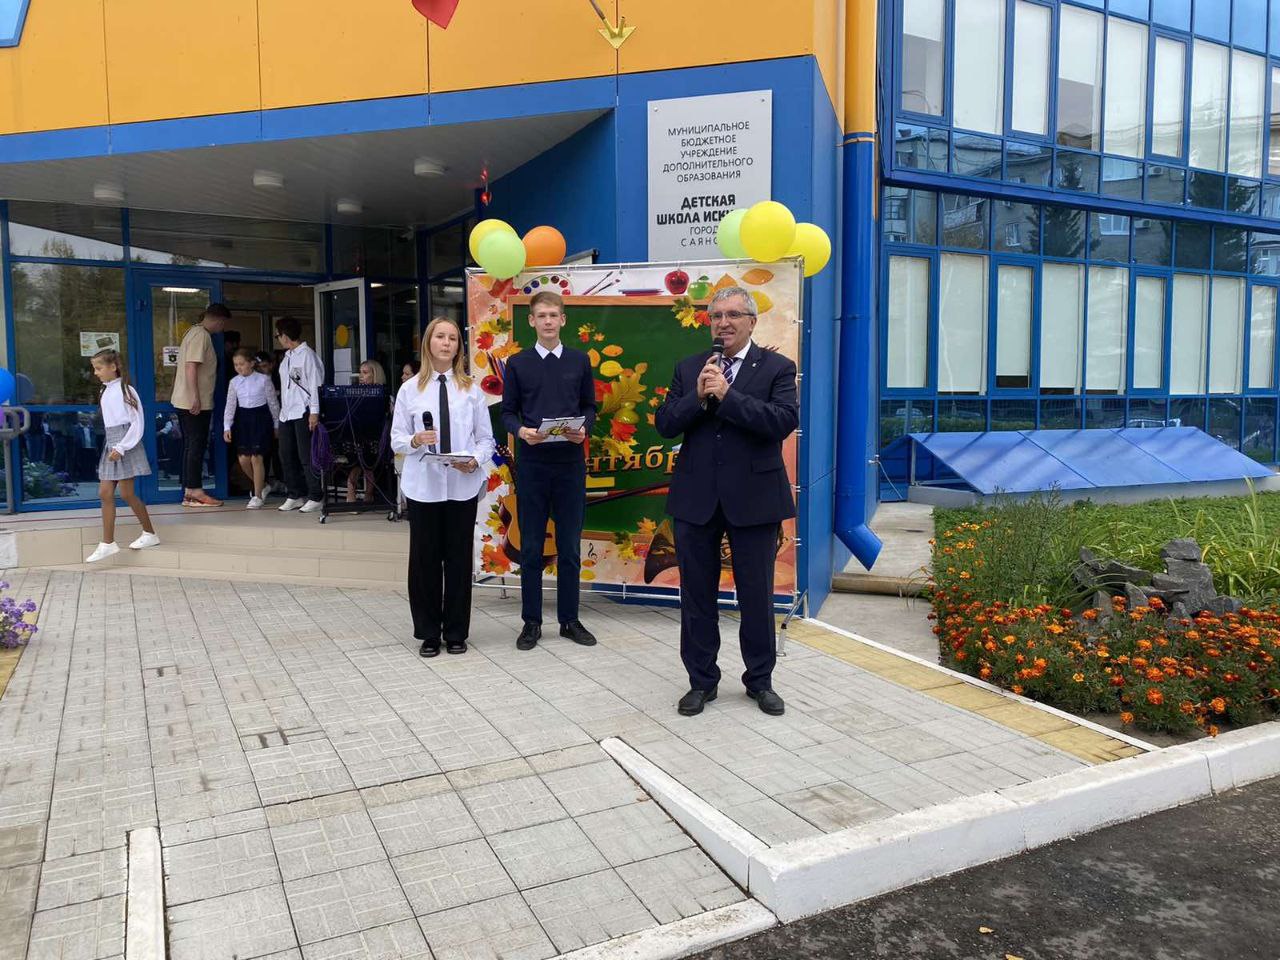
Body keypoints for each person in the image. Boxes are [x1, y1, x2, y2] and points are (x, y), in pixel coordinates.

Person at [655, 286, 799, 717]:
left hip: (755, 499)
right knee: (696, 597)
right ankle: (702, 682)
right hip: (696, 499)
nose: (723, 323)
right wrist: (698, 396)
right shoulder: (690, 368)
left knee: (756, 596)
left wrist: (728, 396)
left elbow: (781, 422)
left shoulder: (777, 367)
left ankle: (760, 681)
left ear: (752, 321)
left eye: (733, 315)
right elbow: (665, 424)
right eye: (716, 315)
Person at [500, 290, 598, 651]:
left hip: (570, 464)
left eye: (553, 315)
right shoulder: (518, 364)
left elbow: (590, 406)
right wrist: (520, 431)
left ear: (563, 319)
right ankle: (531, 622)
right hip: (533, 465)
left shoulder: (579, 360)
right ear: (531, 321)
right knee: (531, 547)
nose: (548, 321)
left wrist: (584, 428)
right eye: (541, 316)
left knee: (569, 546)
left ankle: (570, 620)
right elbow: (507, 412)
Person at [393, 318, 495, 656]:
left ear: (458, 347)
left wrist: (475, 460)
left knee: (458, 560)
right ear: (428, 343)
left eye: (452, 338)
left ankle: (456, 632)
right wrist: (414, 440)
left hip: (461, 485)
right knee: (424, 561)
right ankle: (428, 633)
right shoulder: (410, 389)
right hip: (424, 486)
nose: (447, 343)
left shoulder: (470, 389)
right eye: (440, 336)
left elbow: (486, 439)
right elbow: (396, 438)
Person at [85, 349, 160, 563]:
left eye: (98, 368)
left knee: (127, 494)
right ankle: (108, 543)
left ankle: (149, 533)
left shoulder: (127, 390)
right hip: (112, 441)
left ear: (113, 367)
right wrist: (114, 445)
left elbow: (137, 422)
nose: (95, 373)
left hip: (126, 442)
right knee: (105, 492)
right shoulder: (105, 390)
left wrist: (122, 447)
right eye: (94, 368)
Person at [171, 303, 229, 507]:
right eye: (223, 323)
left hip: (187, 400)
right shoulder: (201, 335)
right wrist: (195, 397)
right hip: (195, 403)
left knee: (191, 445)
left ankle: (189, 491)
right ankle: (195, 491)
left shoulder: (192, 332)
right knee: (196, 445)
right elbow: (191, 367)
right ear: (219, 320)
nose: (222, 328)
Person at [274, 316, 324, 513]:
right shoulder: (287, 357)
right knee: (285, 454)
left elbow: (315, 385)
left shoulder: (307, 355)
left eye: (278, 335)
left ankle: (315, 495)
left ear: (285, 336)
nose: (278, 339)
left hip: (303, 411)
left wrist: (314, 412)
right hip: (286, 413)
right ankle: (295, 494)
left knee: (306, 455)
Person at [223, 347, 281, 509]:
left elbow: (273, 403)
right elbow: (230, 405)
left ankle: (257, 495)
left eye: (242, 364)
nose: (239, 367)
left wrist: (276, 424)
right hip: (243, 419)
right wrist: (227, 426)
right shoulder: (234, 382)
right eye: (236, 365)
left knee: (256, 457)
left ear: (251, 363)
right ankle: (263, 485)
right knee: (243, 459)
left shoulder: (264, 380)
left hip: (261, 418)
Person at [346, 359, 386, 503]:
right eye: (360, 373)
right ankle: (351, 489)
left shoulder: (383, 394)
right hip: (356, 436)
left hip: (374, 437)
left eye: (365, 373)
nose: (361, 376)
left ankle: (368, 493)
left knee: (367, 454)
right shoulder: (354, 394)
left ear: (375, 374)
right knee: (356, 451)